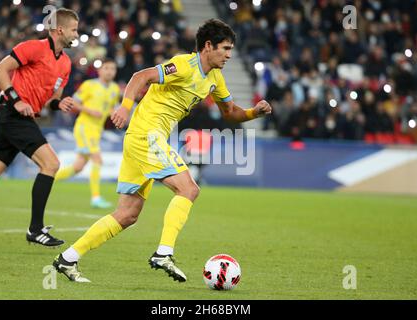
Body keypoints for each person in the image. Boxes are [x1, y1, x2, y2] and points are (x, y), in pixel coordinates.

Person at [53, 19, 271, 282]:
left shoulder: (215, 78)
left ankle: (68, 258)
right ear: (208, 46)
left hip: (143, 139)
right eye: (225, 48)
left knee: (127, 214)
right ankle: (163, 253)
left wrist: (253, 113)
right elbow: (140, 76)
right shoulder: (183, 64)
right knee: (189, 189)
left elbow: (231, 112)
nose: (229, 54)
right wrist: (124, 107)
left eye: (231, 49)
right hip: (147, 134)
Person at [0, 8, 79, 247]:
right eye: (74, 29)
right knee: (51, 164)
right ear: (60, 29)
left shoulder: (65, 63)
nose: (77, 34)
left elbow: (51, 99)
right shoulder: (33, 47)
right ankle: (35, 229)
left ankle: (35, 229)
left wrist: (58, 103)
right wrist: (17, 99)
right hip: (12, 113)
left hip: (22, 117)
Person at [55, 59, 121, 209]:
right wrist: (90, 110)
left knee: (78, 167)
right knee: (97, 160)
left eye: (112, 68)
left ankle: (48, 179)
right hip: (85, 127)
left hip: (97, 130)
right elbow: (73, 102)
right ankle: (96, 198)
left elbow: (110, 108)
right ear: (100, 70)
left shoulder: (115, 89)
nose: (110, 71)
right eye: (107, 68)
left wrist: (116, 115)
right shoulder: (89, 85)